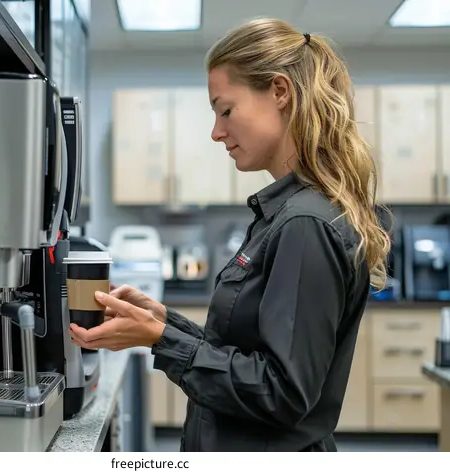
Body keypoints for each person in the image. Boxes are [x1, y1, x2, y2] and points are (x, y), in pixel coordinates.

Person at [69, 18, 391, 452]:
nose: (217, 131)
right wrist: (166, 323)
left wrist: (161, 340)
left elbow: (282, 393)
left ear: (280, 92)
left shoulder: (303, 225)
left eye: (225, 110)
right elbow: (246, 353)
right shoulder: (285, 214)